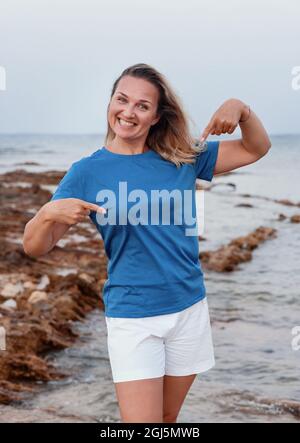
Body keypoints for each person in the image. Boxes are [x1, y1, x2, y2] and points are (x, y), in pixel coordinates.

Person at [23, 63, 271, 423]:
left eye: (142, 105)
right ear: (110, 103)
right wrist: (47, 213)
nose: (128, 112)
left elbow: (256, 148)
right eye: (122, 100)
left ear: (156, 116)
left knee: (166, 422)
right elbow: (34, 247)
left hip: (188, 308)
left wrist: (242, 109)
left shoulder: (183, 157)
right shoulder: (86, 172)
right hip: (133, 316)